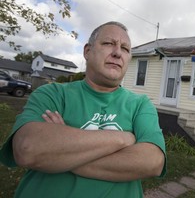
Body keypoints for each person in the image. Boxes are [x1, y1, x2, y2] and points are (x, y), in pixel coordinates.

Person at [0, 21, 166, 198]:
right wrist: (123, 138)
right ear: (87, 51)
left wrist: (58, 153)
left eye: (125, 48)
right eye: (109, 43)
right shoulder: (53, 94)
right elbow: (28, 149)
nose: (118, 53)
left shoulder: (140, 104)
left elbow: (152, 162)